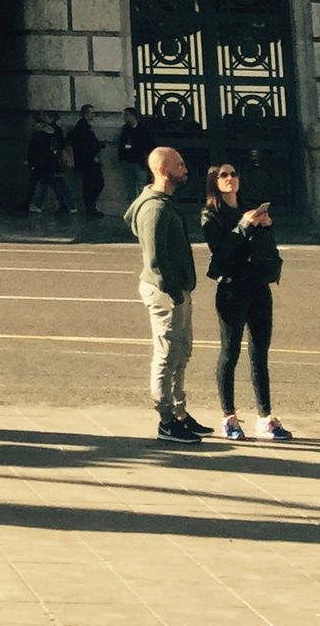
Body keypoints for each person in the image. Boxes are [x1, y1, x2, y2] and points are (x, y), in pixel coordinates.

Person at [202, 162, 291, 441]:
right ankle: (229, 416)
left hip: (258, 286)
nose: (230, 179)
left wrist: (265, 226)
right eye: (223, 175)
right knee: (230, 352)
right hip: (232, 287)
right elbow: (221, 252)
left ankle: (265, 416)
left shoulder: (250, 208)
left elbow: (265, 248)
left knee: (260, 353)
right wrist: (244, 226)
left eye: (234, 174)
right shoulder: (211, 214)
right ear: (215, 182)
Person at [127, 144, 202, 443]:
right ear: (162, 170)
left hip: (177, 289)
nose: (185, 170)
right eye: (179, 165)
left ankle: (180, 411)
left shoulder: (165, 203)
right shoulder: (155, 209)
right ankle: (166, 420)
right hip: (165, 293)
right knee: (167, 354)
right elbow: (156, 260)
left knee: (181, 351)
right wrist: (174, 292)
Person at [24, 116, 74, 216]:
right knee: (53, 184)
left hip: (41, 164)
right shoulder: (53, 133)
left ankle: (32, 204)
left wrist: (31, 162)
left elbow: (34, 151)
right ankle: (67, 206)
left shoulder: (39, 135)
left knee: (40, 185)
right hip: (50, 163)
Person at [66, 103, 106, 216]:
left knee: (89, 183)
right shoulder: (83, 128)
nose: (93, 115)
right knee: (96, 183)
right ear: (86, 114)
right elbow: (86, 145)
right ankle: (90, 205)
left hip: (85, 161)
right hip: (88, 161)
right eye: (92, 113)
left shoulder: (82, 126)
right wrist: (96, 149)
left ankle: (90, 206)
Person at [117, 103, 154, 196]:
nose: (124, 118)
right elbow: (122, 143)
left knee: (141, 185)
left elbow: (149, 144)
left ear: (132, 116)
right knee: (130, 187)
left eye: (126, 115)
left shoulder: (143, 129)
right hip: (128, 161)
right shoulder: (125, 129)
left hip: (139, 161)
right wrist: (121, 157)